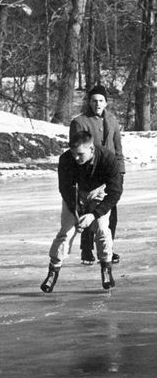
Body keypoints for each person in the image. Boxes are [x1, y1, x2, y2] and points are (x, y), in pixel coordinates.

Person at [40, 129, 122, 294]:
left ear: (91, 149)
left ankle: (106, 268)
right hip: (75, 195)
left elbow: (115, 192)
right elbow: (64, 188)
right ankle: (53, 271)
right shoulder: (66, 159)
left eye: (80, 154)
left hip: (99, 193)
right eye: (73, 154)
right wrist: (76, 213)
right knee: (66, 232)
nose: (76, 158)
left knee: (101, 229)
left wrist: (94, 214)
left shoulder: (108, 160)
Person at [69, 85, 124, 265]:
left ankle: (109, 247)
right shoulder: (80, 122)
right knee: (88, 212)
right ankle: (86, 250)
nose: (97, 104)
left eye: (101, 100)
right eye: (94, 100)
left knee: (109, 211)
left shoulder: (113, 121)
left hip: (109, 172)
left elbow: (117, 149)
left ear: (106, 102)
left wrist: (120, 172)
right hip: (89, 173)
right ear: (89, 102)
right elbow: (76, 151)